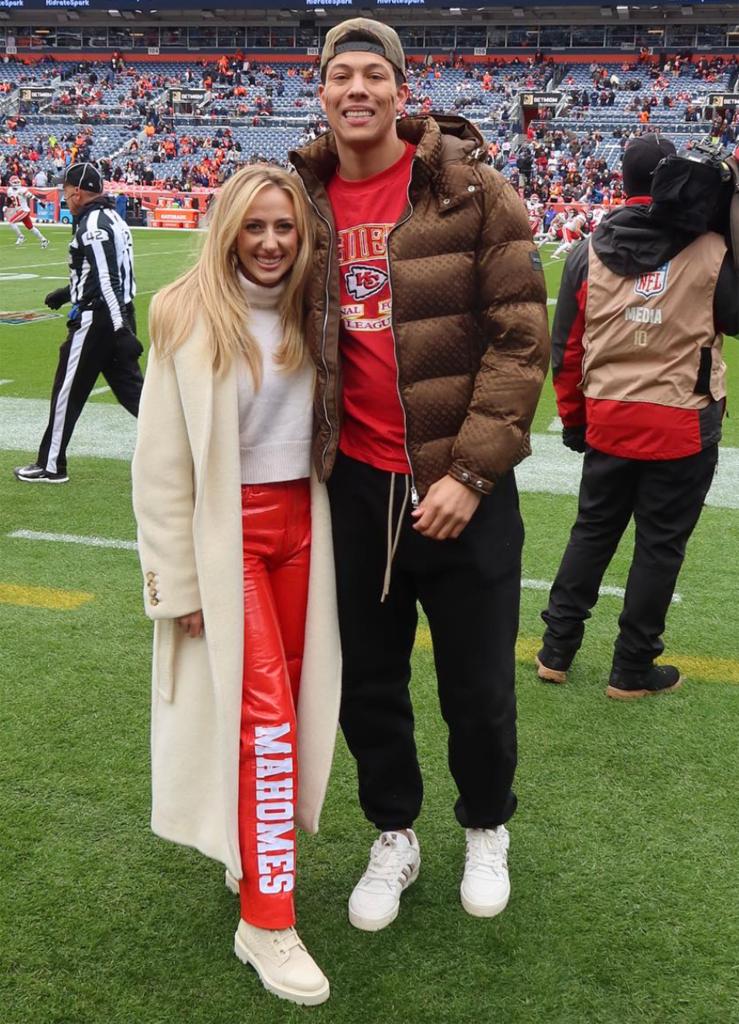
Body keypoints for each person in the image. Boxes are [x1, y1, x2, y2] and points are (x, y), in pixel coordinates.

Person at [291, 20, 549, 931]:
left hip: (458, 486)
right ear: (319, 92)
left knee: (477, 685)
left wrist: (471, 474)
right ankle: (392, 832)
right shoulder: (302, 197)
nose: (354, 89)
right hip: (354, 487)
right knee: (368, 681)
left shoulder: (471, 190)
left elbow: (520, 343)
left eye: (372, 75)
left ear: (403, 91)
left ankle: (485, 825)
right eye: (337, 76)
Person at [131, 165, 341, 1006]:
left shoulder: (313, 309)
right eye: (253, 226)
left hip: (307, 531)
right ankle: (266, 920)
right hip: (229, 539)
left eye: (285, 228)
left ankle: (252, 854)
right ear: (225, 229)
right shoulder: (185, 313)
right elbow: (159, 465)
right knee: (266, 723)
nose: (269, 242)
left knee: (289, 707)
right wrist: (177, 584)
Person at [536, 134, 739, 698]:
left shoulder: (586, 251)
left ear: (624, 182)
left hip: (609, 417)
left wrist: (575, 422)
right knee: (659, 547)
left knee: (592, 533)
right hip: (681, 421)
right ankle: (630, 669)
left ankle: (556, 650)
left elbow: (567, 350)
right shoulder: (709, 247)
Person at [14, 162, 142, 484]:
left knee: (66, 391)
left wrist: (118, 328)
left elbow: (108, 280)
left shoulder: (92, 224)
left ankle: (51, 465)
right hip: (117, 315)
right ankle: (192, 448)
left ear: (77, 192)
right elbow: (105, 276)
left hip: (100, 322)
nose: (65, 195)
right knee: (136, 396)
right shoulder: (112, 217)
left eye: (66, 190)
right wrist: (70, 293)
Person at [5, 174, 49, 248]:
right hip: (20, 211)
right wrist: (6, 206)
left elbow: (31, 196)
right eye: (14, 182)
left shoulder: (22, 190)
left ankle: (21, 237)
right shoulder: (9, 190)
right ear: (11, 183)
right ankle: (44, 240)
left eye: (17, 182)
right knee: (31, 228)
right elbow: (9, 200)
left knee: (11, 222)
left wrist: (40, 202)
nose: (16, 184)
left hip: (23, 211)